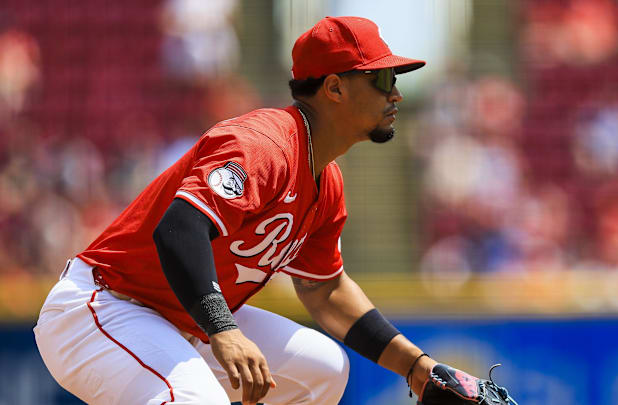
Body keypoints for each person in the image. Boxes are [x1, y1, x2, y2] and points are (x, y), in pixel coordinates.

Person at [33, 16, 463, 405]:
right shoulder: (263, 144)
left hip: (181, 318)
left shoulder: (325, 179)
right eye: (383, 78)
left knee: (321, 370)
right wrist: (224, 329)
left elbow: (324, 291)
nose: (397, 94)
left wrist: (416, 367)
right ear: (334, 88)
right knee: (192, 399)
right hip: (104, 308)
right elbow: (179, 229)